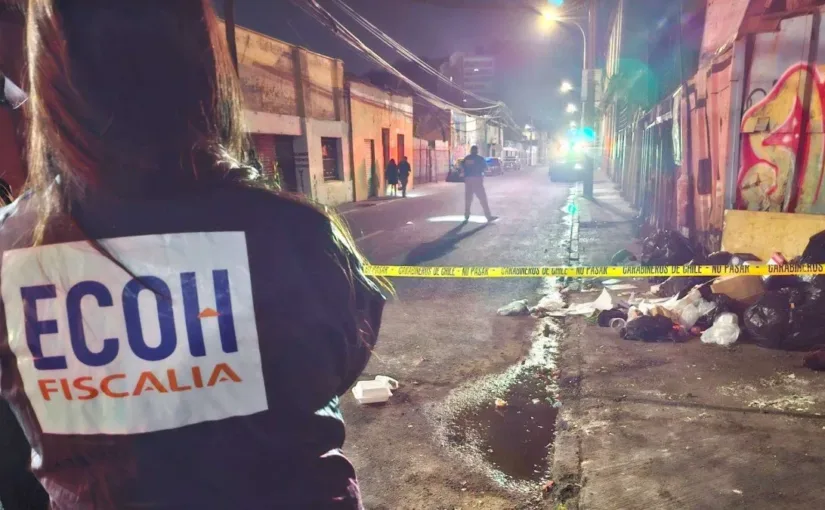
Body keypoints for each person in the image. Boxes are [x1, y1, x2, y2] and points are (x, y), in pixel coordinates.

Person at [0, 2, 386, 509]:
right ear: (200, 61)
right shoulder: (294, 232)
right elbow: (339, 363)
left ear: (47, 68)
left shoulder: (13, 247)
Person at [461, 145, 495, 222]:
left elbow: (462, 167)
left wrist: (465, 173)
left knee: (468, 198)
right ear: (477, 151)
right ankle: (488, 216)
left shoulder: (467, 158)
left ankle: (467, 214)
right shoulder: (480, 159)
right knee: (483, 198)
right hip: (477, 180)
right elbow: (486, 168)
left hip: (468, 180)